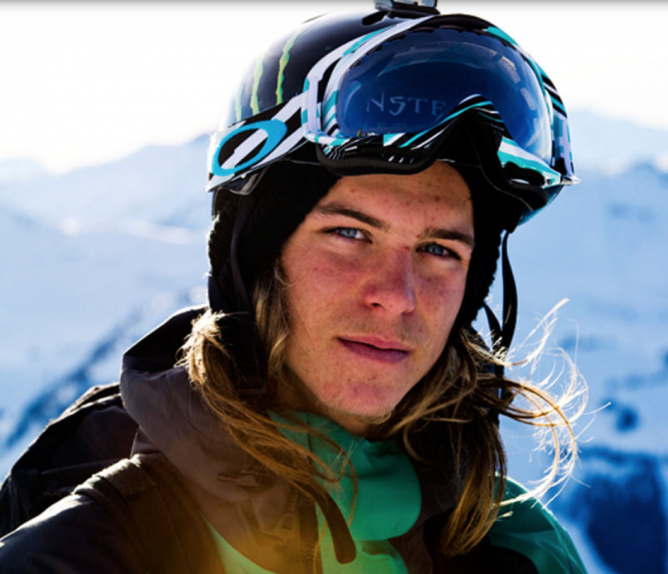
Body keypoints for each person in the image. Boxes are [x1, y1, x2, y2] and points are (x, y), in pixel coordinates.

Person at [0, 0, 587, 572]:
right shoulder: (80, 555)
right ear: (255, 257)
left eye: (439, 250)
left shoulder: (518, 549)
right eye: (351, 234)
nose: (397, 295)